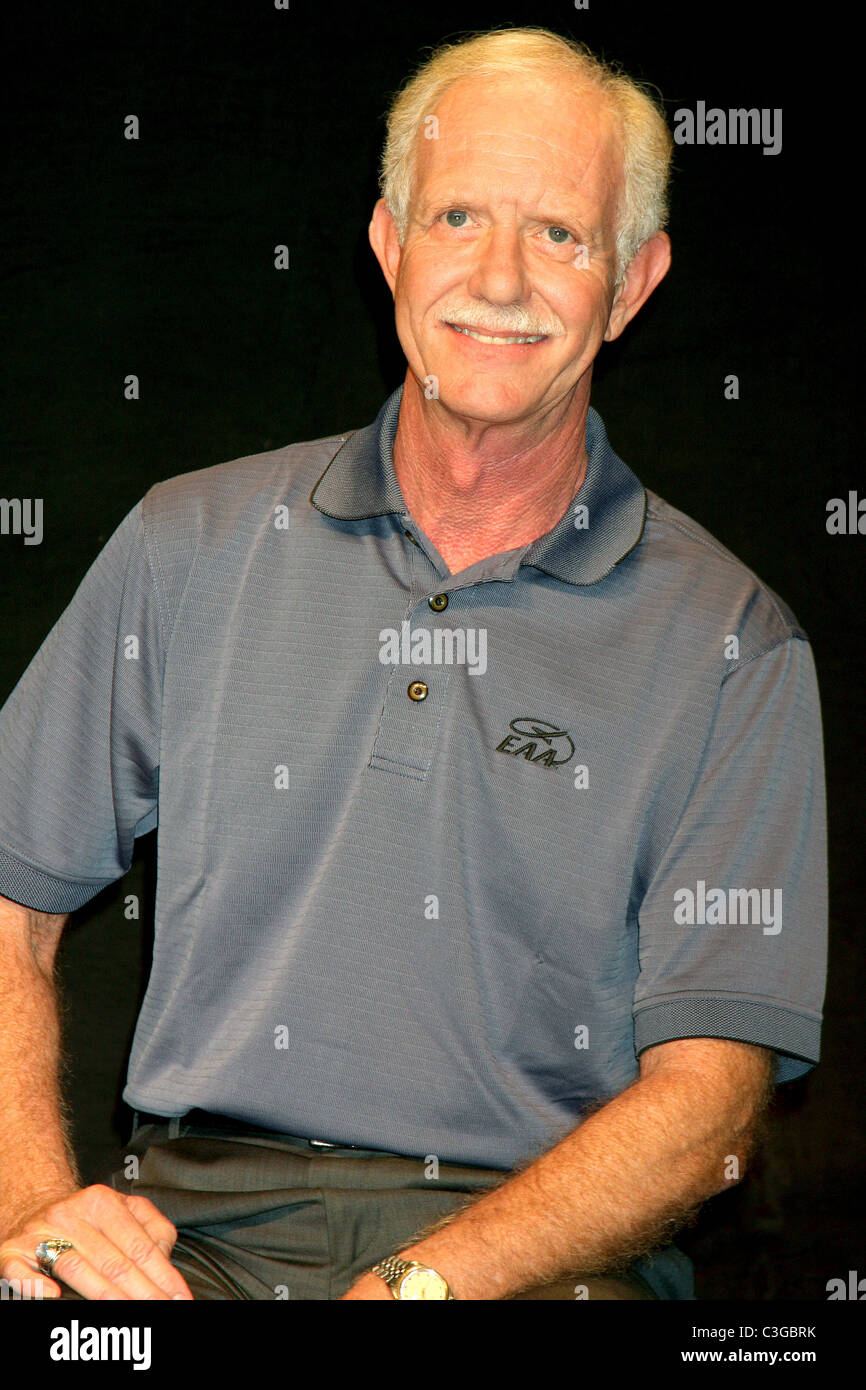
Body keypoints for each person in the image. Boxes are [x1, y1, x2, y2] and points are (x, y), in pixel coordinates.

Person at [0, 27, 826, 1301]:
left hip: (526, 1261)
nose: (498, 277)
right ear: (387, 243)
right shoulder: (189, 542)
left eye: (558, 234)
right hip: (182, 1248)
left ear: (631, 283)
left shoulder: (735, 648)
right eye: (455, 217)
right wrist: (43, 1212)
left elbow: (710, 1103)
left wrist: (418, 1287)